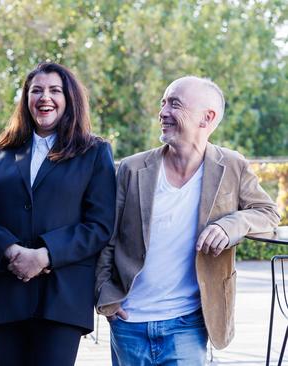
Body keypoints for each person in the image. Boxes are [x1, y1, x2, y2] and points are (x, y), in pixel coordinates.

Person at [95, 76, 280, 365]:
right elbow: (108, 236)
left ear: (207, 118)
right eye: (163, 102)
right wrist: (106, 295)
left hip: (188, 323)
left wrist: (229, 225)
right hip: (129, 320)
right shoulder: (132, 169)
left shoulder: (232, 165)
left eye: (175, 104)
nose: (163, 112)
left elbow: (268, 213)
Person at [0, 62, 116, 366]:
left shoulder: (94, 152)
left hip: (62, 297)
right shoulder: (2, 153)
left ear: (69, 98)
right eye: (36, 91)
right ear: (26, 99)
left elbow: (99, 225)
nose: (45, 97)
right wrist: (10, 251)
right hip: (6, 293)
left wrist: (46, 255)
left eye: (54, 90)